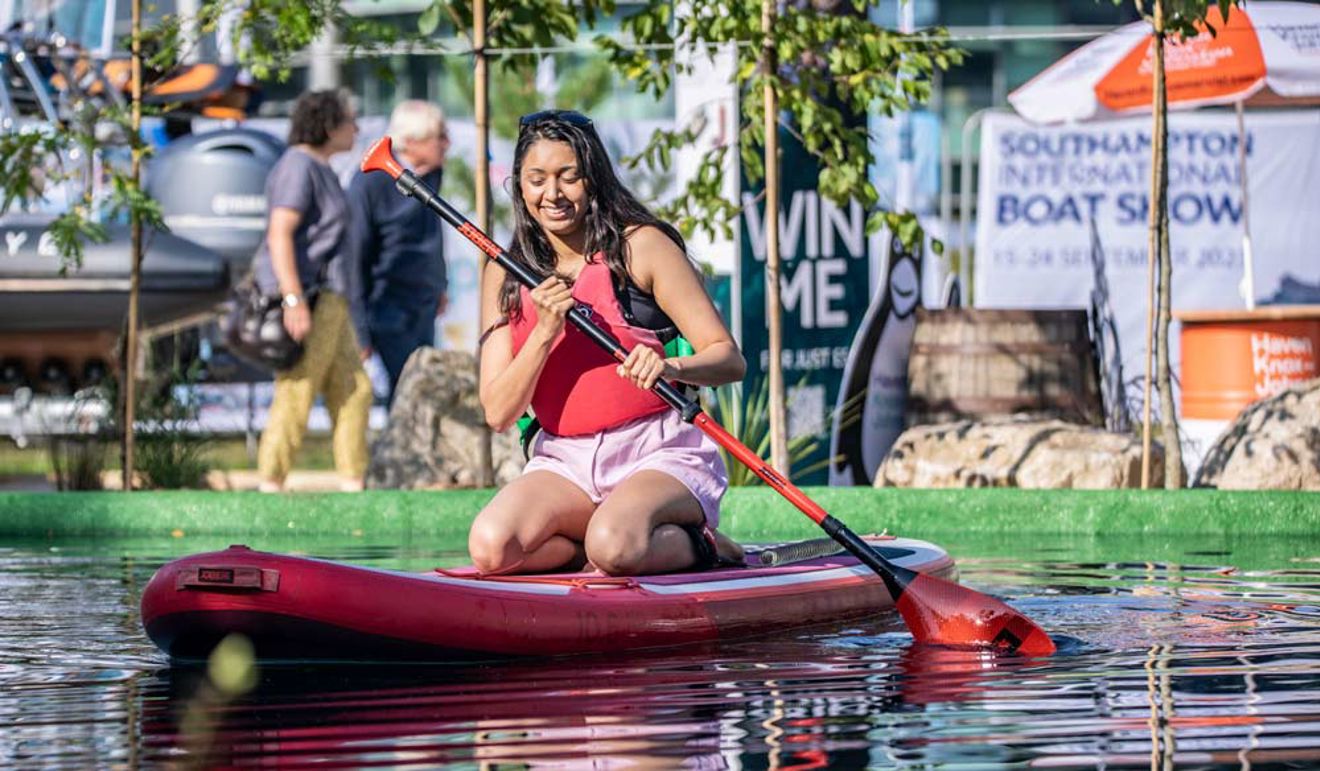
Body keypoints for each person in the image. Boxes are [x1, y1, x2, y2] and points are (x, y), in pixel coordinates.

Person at [468, 110, 746, 577]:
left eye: (568, 177)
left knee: (615, 546)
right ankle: (603, 545)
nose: (551, 194)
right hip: (565, 460)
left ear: (593, 179)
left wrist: (670, 367)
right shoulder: (504, 274)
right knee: (493, 549)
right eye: (536, 180)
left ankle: (701, 544)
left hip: (658, 452)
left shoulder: (642, 247)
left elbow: (728, 359)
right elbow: (498, 413)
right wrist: (543, 333)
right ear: (519, 186)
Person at [253, 89, 373, 493]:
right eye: (349, 120)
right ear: (328, 125)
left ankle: (352, 483)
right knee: (298, 388)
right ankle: (270, 483)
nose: (355, 128)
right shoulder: (298, 166)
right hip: (311, 296)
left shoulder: (321, 168)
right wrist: (293, 299)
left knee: (355, 389)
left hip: (334, 299)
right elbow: (280, 233)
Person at [344, 100, 451, 403]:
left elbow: (432, 233)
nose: (446, 144)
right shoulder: (371, 182)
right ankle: (399, 451)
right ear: (412, 142)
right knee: (407, 394)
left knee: (422, 390)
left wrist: (439, 284)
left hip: (423, 304)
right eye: (438, 137)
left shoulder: (430, 175)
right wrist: (360, 329)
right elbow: (354, 256)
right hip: (388, 307)